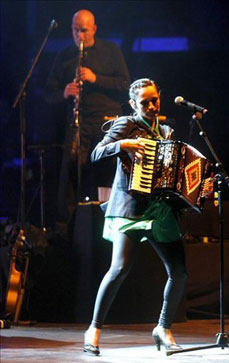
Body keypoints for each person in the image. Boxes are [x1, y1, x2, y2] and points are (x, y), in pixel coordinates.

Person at [83, 78, 187, 355]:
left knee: (179, 272)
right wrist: (124, 144)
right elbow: (96, 153)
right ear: (133, 104)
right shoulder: (126, 125)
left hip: (159, 209)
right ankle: (93, 329)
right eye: (145, 102)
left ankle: (163, 328)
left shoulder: (165, 130)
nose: (152, 105)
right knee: (119, 269)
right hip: (130, 208)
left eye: (155, 99)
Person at [45, 9, 130, 222]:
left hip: (106, 123)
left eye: (83, 30)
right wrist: (64, 92)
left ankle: (108, 222)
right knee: (72, 177)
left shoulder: (111, 50)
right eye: (75, 30)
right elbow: (48, 93)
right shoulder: (64, 55)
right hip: (77, 126)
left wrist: (95, 78)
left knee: (105, 175)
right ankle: (74, 228)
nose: (79, 36)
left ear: (94, 29)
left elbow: (125, 85)